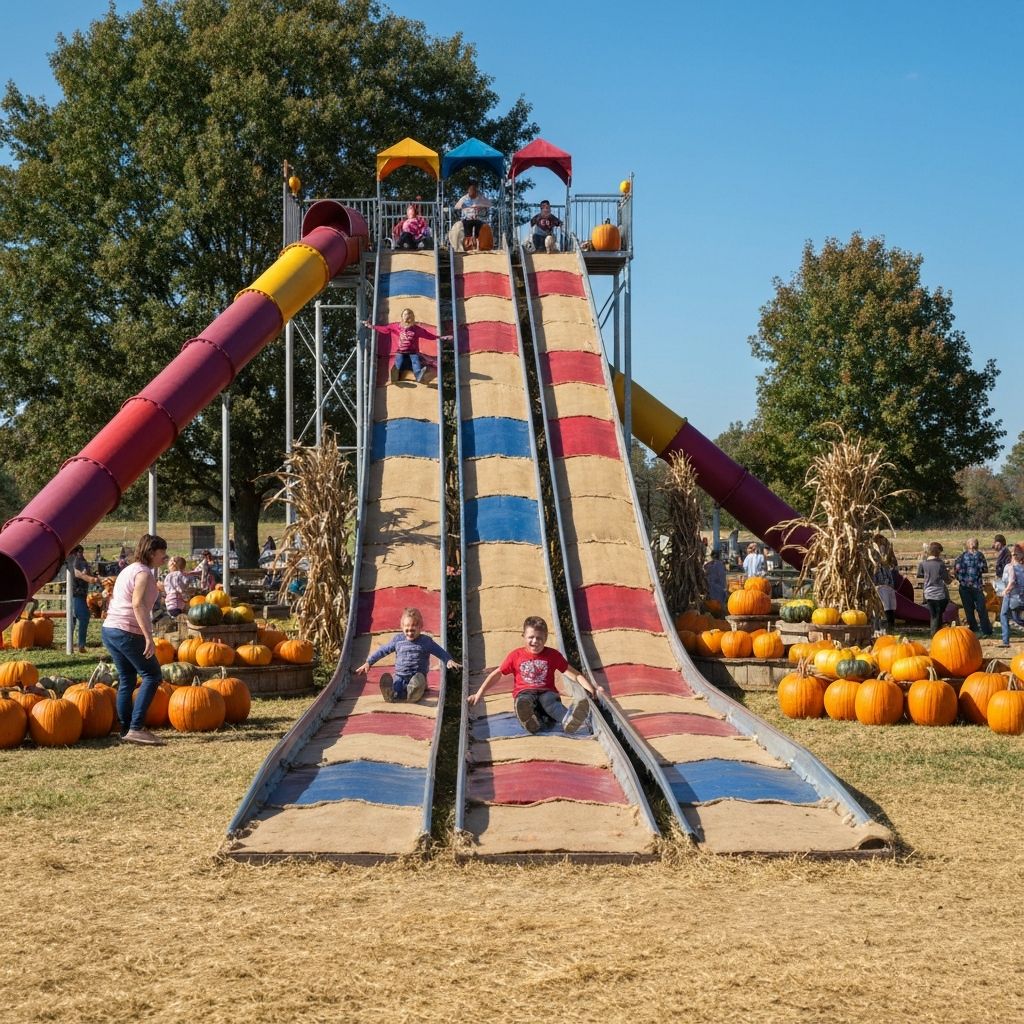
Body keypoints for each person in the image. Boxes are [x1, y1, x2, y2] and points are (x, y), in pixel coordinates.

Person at [468, 616, 597, 735]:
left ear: (546, 638)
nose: (535, 641)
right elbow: (497, 674)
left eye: (539, 638)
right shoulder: (515, 655)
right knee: (524, 701)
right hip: (525, 693)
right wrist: (479, 694)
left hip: (547, 693)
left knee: (549, 702)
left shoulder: (553, 655)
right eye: (531, 637)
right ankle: (530, 720)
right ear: (523, 636)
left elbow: (574, 674)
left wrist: (590, 689)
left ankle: (569, 720)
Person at [101, 534, 169, 746]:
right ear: (151, 553)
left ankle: (126, 728)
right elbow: (138, 604)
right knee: (152, 675)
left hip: (111, 629)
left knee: (127, 678)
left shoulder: (129, 570)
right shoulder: (143, 573)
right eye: (161, 553)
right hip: (126, 630)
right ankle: (136, 727)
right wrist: (148, 637)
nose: (164, 557)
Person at [354, 606, 460, 702]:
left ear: (420, 627)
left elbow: (439, 651)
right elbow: (383, 650)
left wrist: (448, 660)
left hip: (418, 676)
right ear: (402, 627)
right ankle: (391, 693)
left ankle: (414, 693)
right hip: (401, 675)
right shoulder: (398, 640)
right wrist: (369, 662)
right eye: (407, 630)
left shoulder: (426, 641)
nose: (410, 633)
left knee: (418, 683)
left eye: (413, 630)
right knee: (397, 685)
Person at [363, 308, 452, 384]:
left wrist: (441, 338)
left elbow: (428, 335)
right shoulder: (396, 326)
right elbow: (385, 329)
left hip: (413, 352)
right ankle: (395, 375)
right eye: (405, 315)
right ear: (402, 317)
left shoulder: (416, 329)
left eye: (409, 315)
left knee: (415, 361)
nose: (407, 317)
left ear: (412, 318)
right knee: (399, 361)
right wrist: (371, 326)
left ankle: (418, 375)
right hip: (401, 352)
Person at [953, 537, 992, 637]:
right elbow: (985, 569)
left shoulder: (960, 557)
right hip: (977, 586)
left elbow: (955, 571)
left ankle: (974, 629)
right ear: (977, 545)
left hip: (964, 587)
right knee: (981, 609)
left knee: (969, 610)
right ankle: (986, 630)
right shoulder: (980, 555)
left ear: (967, 546)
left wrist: (961, 580)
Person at [66, 544, 100, 653]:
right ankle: (79, 645)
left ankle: (74, 644)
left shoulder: (81, 562)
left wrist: (91, 575)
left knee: (74, 620)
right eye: (78, 552)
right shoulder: (72, 562)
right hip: (75, 596)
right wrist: (92, 579)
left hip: (79, 595)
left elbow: (86, 573)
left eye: (81, 552)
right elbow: (78, 574)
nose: (80, 554)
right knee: (83, 617)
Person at [917, 541, 950, 637]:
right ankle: (935, 634)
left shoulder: (923, 563)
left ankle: (935, 634)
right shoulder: (940, 564)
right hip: (939, 592)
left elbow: (919, 574)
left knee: (933, 614)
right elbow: (946, 580)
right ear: (938, 552)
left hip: (928, 592)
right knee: (938, 614)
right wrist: (951, 578)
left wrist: (928, 575)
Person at [869, 534, 899, 634]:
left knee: (889, 609)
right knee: (880, 610)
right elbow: (873, 574)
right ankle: (878, 629)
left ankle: (889, 629)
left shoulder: (886, 559)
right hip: (878, 587)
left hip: (888, 587)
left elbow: (893, 565)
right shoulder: (872, 558)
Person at [453, 180, 491, 251]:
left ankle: (478, 244)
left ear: (476, 190)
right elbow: (456, 207)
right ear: (468, 190)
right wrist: (463, 206)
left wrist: (480, 206)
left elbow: (489, 204)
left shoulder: (481, 197)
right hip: (467, 219)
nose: (472, 191)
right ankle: (467, 246)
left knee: (481, 227)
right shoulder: (464, 198)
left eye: (474, 189)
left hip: (477, 219)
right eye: (470, 190)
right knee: (466, 228)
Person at [998, 546, 1024, 647]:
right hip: (1020, 596)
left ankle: (1005, 640)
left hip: (1010, 595)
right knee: (1016, 617)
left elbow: (1012, 581)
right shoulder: (1022, 567)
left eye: (1015, 554)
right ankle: (1005, 639)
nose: (1013, 555)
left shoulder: (1010, 567)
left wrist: (1005, 590)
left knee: (1003, 615)